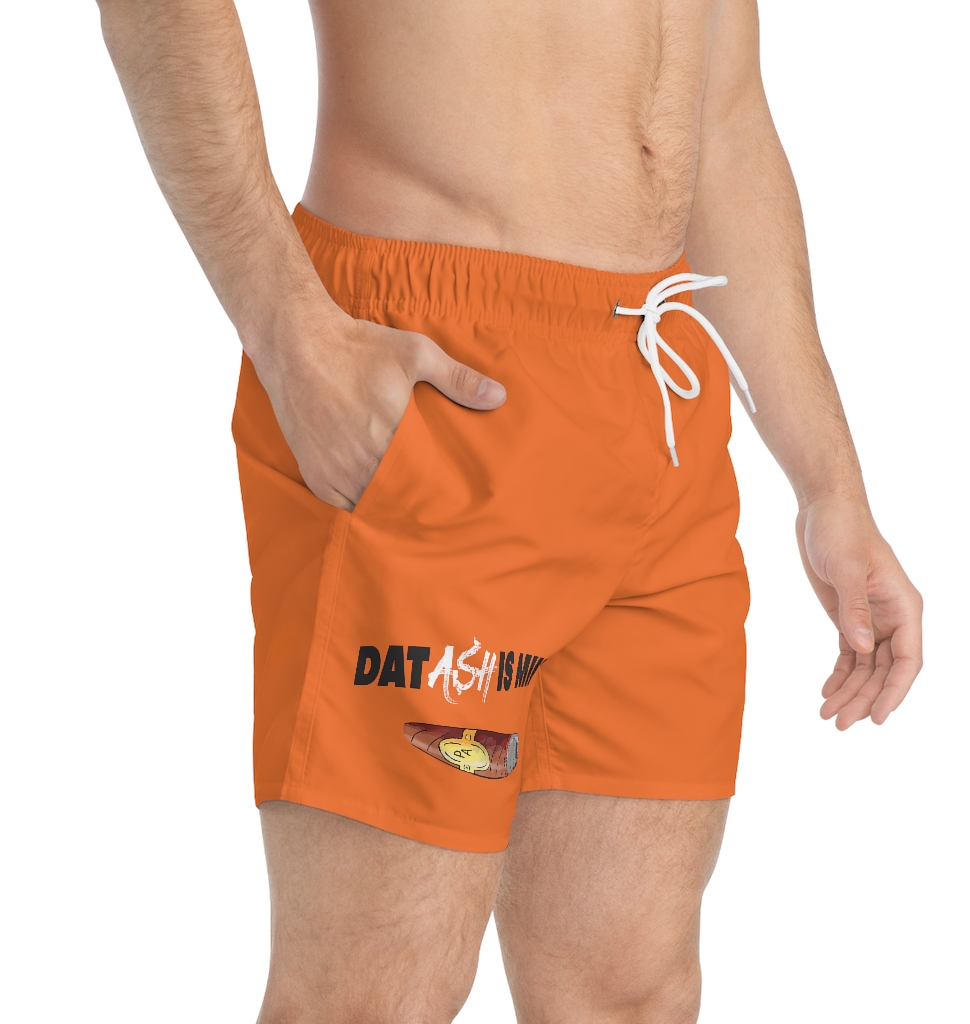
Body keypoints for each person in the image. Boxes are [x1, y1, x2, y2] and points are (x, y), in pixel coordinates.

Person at [97, 0, 923, 1020]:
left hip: (658, 394)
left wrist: (830, 483)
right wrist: (284, 322)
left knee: (630, 992)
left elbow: (722, 118)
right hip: (435, 372)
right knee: (374, 996)